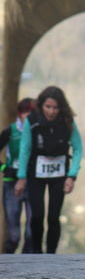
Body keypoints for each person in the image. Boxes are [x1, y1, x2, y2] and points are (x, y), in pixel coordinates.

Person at [14, 86, 83, 254]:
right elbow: (25, 148)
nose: (51, 112)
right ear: (41, 106)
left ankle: (51, 253)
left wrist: (72, 176)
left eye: (55, 108)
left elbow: (78, 148)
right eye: (48, 107)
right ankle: (37, 252)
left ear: (61, 108)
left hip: (59, 174)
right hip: (35, 173)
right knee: (37, 216)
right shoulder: (32, 120)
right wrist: (21, 177)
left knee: (53, 216)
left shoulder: (67, 122)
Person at [0, 98, 36, 253]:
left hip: (33, 184)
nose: (30, 119)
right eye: (27, 115)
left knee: (31, 233)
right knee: (14, 235)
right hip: (11, 185)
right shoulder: (11, 131)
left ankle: (28, 271)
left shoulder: (37, 132)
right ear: (20, 114)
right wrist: (4, 168)